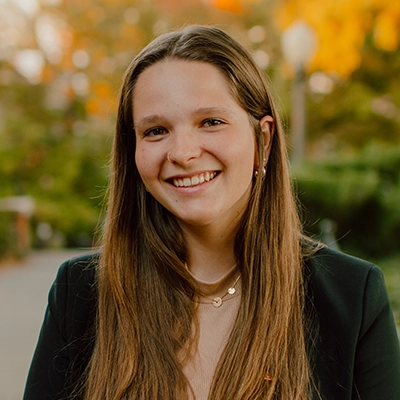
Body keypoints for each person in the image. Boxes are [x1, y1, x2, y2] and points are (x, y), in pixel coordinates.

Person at [23, 25, 400, 400]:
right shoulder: (81, 294)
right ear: (132, 151)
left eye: (211, 122)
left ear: (263, 140)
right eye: (155, 131)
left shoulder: (352, 297)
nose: (183, 153)